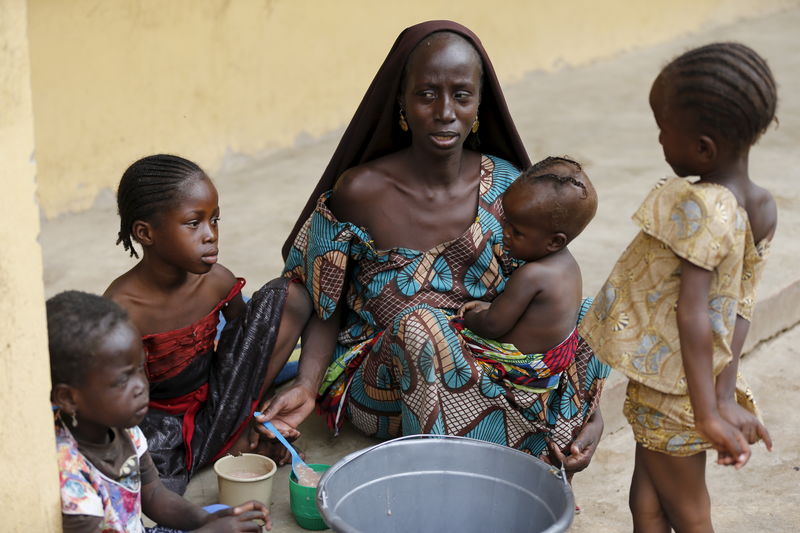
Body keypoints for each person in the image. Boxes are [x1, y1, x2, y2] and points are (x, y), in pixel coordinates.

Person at [257, 21, 610, 477]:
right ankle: (460, 476)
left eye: (461, 95)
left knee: (593, 313)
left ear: (479, 105)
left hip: (492, 368)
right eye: (426, 94)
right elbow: (321, 300)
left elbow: (552, 298)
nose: (445, 111)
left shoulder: (508, 189)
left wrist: (593, 414)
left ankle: (561, 437)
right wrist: (307, 382)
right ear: (401, 102)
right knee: (421, 326)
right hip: (386, 379)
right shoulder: (361, 191)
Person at [580, 42, 776, 531]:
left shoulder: (704, 208)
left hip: (675, 395)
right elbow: (740, 306)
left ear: (704, 147)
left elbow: (693, 313)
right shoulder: (761, 206)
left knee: (690, 515)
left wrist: (710, 415)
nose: (660, 141)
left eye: (663, 130)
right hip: (694, 387)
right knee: (646, 505)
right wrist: (722, 395)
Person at [105, 154, 311, 493]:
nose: (210, 235)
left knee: (290, 299)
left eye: (215, 220)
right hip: (158, 419)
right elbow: (124, 403)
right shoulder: (122, 309)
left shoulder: (216, 281)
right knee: (147, 478)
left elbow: (248, 353)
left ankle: (243, 428)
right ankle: (235, 440)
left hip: (219, 396)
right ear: (145, 233)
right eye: (193, 223)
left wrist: (249, 401)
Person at [48, 290, 271, 532]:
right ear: (69, 398)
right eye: (122, 380)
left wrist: (206, 521)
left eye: (139, 369)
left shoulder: (123, 427)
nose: (140, 386)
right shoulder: (70, 478)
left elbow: (154, 494)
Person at [456, 156, 597, 400]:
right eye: (506, 223)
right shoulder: (567, 266)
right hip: (551, 366)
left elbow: (492, 326)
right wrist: (491, 307)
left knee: (441, 329)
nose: (505, 233)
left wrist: (469, 318)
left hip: (523, 370)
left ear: (554, 241)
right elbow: (530, 315)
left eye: (517, 231)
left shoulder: (532, 274)